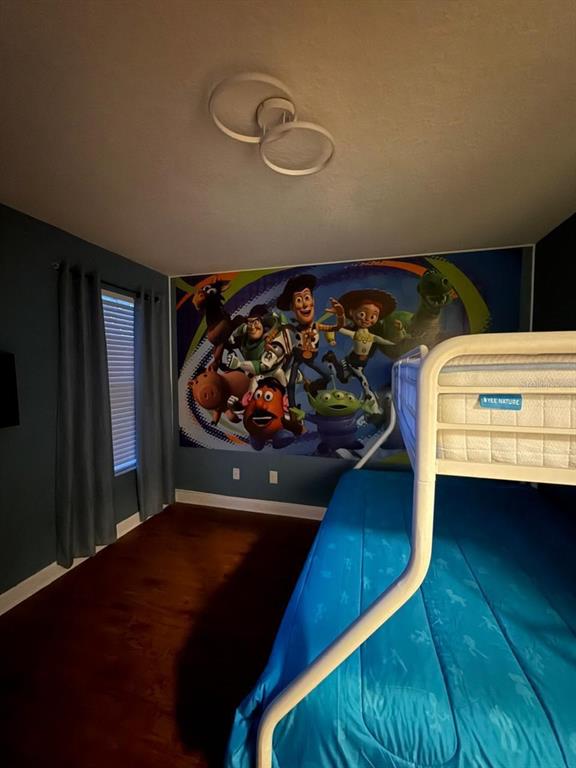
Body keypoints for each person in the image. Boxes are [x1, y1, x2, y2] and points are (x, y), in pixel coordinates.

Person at [268, 274, 345, 420]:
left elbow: (336, 327)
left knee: (328, 375)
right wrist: (270, 338)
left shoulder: (317, 326)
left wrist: (340, 315)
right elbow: (280, 330)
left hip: (311, 358)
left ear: (313, 301)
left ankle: (313, 387)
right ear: (292, 307)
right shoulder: (292, 328)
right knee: (290, 383)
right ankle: (292, 409)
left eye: (307, 298)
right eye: (299, 300)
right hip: (297, 358)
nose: (304, 304)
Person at [323, 289, 396, 413]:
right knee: (364, 383)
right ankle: (373, 408)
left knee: (343, 378)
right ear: (352, 312)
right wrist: (331, 338)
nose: (367, 319)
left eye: (373, 316)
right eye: (362, 314)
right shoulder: (355, 334)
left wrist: (396, 343)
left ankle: (332, 359)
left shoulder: (372, 336)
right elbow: (337, 328)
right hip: (353, 362)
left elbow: (382, 341)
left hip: (361, 363)